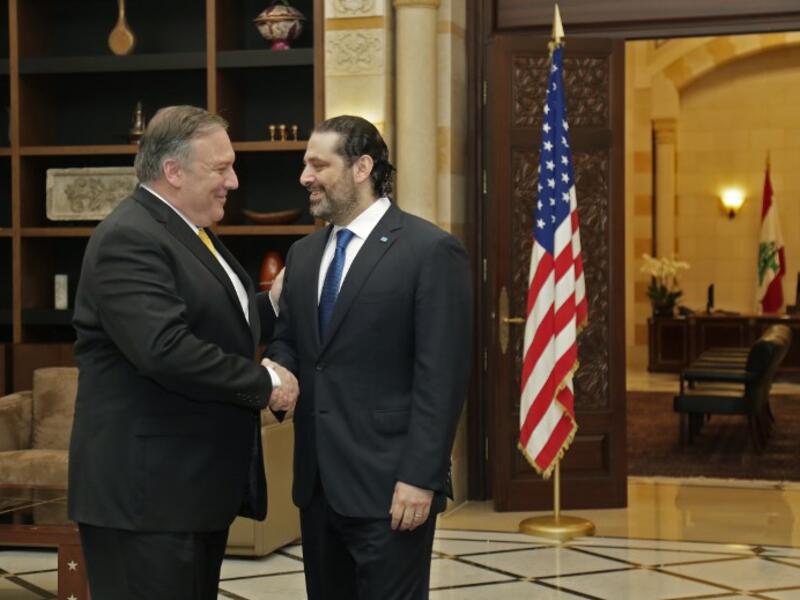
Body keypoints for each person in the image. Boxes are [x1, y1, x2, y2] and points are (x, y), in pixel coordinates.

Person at [68, 105, 298, 599]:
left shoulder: (188, 231)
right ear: (172, 171)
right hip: (146, 500)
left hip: (186, 493)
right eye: (221, 168)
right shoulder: (130, 237)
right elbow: (164, 348)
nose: (233, 182)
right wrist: (266, 385)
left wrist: (272, 306)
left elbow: (209, 320)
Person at [267, 115, 472, 599]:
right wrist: (278, 372)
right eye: (304, 165)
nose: (305, 177)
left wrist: (421, 478)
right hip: (317, 486)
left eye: (318, 164)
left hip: (392, 488)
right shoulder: (303, 254)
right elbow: (289, 341)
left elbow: (440, 378)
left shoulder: (430, 251)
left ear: (362, 168)